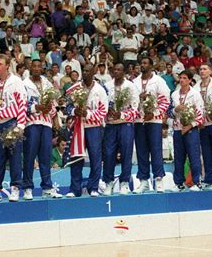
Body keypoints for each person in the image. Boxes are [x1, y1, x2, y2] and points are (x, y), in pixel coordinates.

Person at [0, 54, 27, 203]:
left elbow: (22, 103)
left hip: (11, 123)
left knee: (14, 158)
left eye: (0, 64)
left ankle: (15, 188)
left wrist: (20, 125)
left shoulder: (16, 81)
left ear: (8, 65)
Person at [65, 63, 108, 197]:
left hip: (94, 128)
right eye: (83, 70)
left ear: (93, 73)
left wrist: (87, 114)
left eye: (88, 71)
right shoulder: (75, 88)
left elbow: (103, 111)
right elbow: (68, 107)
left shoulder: (100, 90)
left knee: (95, 158)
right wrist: (74, 111)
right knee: (77, 158)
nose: (85, 73)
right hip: (78, 126)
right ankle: (74, 189)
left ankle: (93, 188)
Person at [22, 59, 62, 200]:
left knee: (46, 157)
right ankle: (27, 188)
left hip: (46, 124)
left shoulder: (47, 83)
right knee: (29, 157)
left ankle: (47, 187)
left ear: (42, 68)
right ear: (30, 67)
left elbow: (53, 103)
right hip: (31, 123)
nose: (37, 68)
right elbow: (21, 106)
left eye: (39, 66)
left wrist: (51, 113)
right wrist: (36, 108)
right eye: (34, 66)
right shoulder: (24, 84)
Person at [132, 57, 170, 194]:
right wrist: (139, 98)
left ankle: (159, 179)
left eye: (145, 63)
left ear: (151, 65)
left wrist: (154, 114)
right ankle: (143, 181)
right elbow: (129, 101)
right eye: (141, 63)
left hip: (154, 121)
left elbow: (166, 100)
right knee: (141, 151)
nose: (142, 65)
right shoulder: (134, 82)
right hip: (139, 121)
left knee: (155, 150)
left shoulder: (159, 81)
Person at [102, 63, 138, 196]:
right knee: (108, 154)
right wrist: (107, 111)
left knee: (126, 154)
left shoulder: (131, 86)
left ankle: (124, 183)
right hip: (111, 125)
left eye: (119, 70)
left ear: (124, 72)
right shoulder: (106, 86)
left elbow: (135, 109)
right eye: (115, 70)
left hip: (125, 124)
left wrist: (121, 114)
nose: (116, 72)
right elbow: (101, 104)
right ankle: (108, 183)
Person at [169, 70, 204, 191]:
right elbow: (169, 112)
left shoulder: (195, 94)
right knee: (178, 157)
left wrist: (190, 126)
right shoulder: (174, 94)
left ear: (190, 80)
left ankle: (197, 182)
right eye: (181, 78)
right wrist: (175, 110)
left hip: (191, 130)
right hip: (177, 129)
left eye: (185, 78)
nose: (182, 80)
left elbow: (200, 114)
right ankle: (179, 183)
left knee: (194, 156)